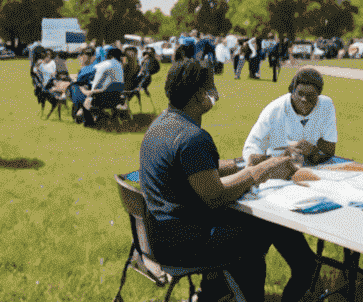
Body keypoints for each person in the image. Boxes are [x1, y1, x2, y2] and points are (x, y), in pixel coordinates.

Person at [138, 60, 314, 302]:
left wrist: (244, 164)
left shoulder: (162, 125)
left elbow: (196, 170)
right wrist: (261, 170)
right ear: (200, 96)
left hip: (163, 236)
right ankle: (299, 272)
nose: (215, 94)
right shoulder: (192, 137)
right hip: (185, 244)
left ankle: (215, 291)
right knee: (267, 224)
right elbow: (216, 197)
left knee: (257, 225)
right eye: (211, 88)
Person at [241, 68, 337, 166]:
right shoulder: (275, 110)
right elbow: (251, 146)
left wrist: (312, 151)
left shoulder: (326, 106)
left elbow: (329, 150)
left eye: (310, 95)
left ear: (318, 95)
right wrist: (274, 159)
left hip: (311, 168)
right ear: (292, 91)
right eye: (300, 93)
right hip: (277, 167)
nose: (304, 99)